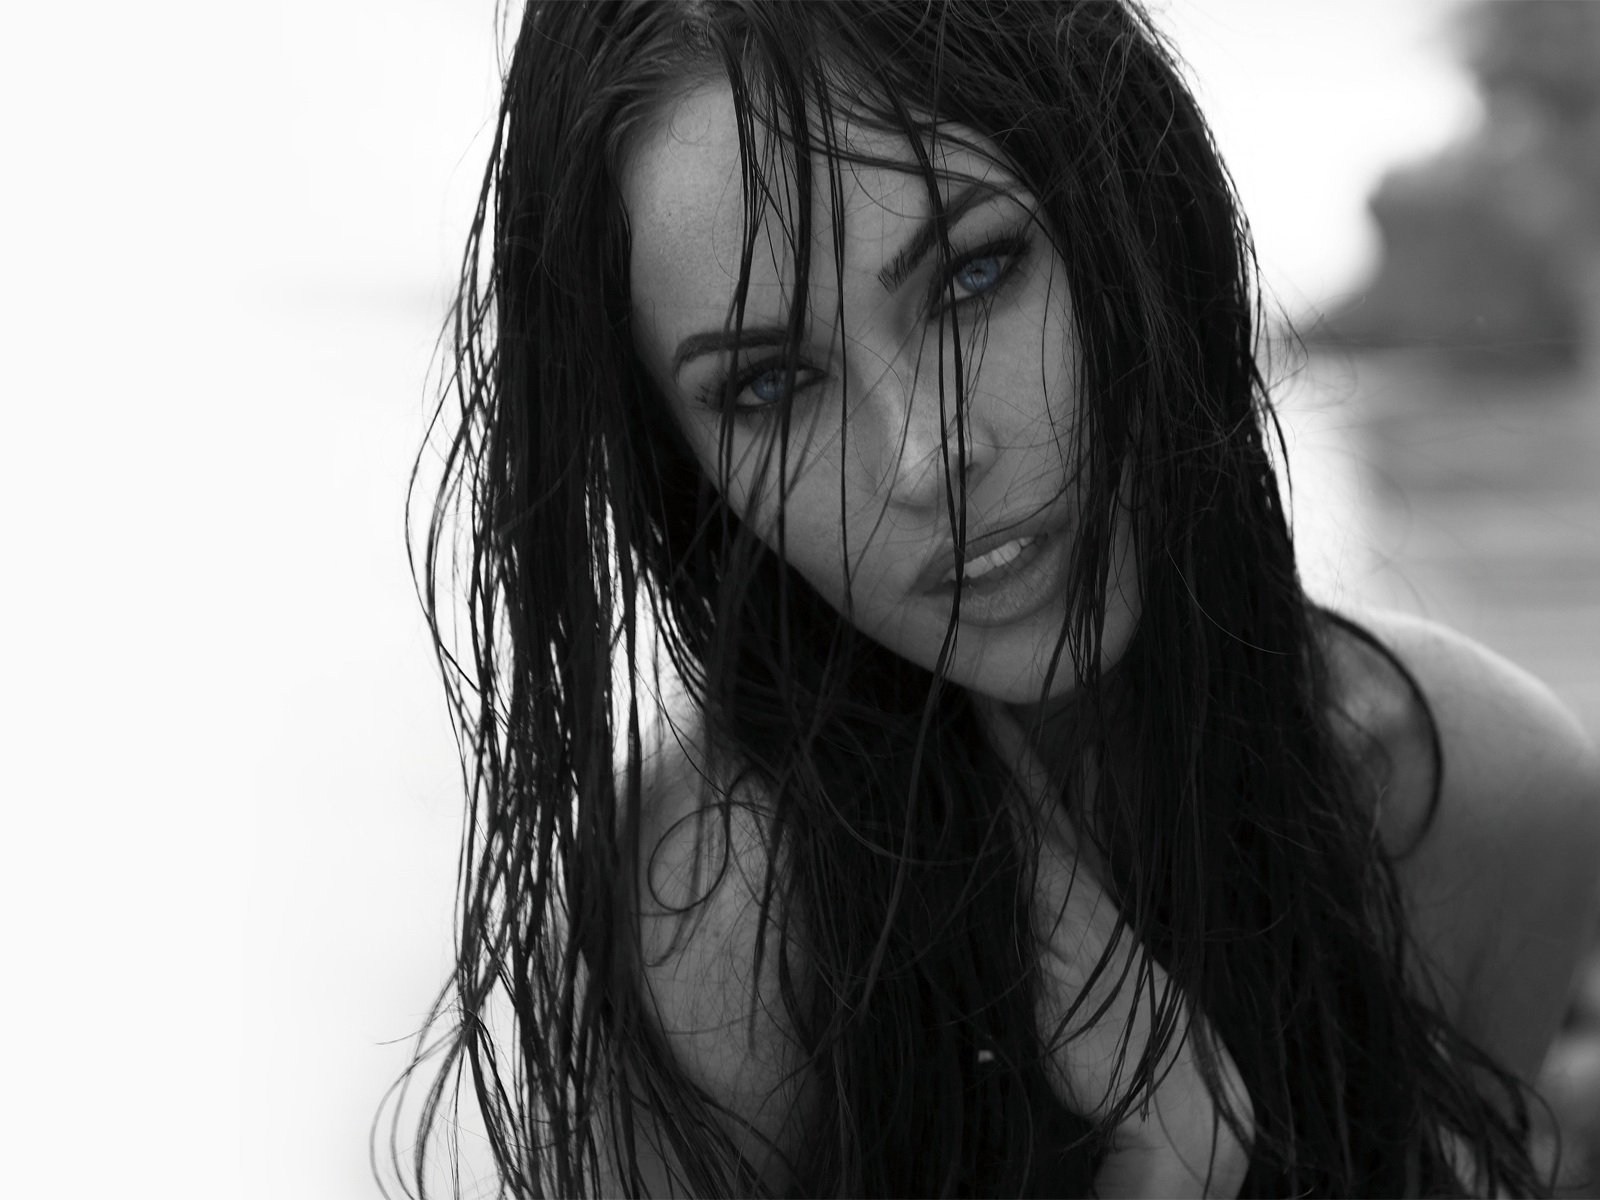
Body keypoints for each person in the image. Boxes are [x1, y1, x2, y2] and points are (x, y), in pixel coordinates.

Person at [396, 2, 1600, 1195]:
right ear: (685, 466)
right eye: (767, 385)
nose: (926, 457)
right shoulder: (712, 921)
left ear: (1132, 202)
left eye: (974, 276)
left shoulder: (1484, 809)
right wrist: (1164, 1167)